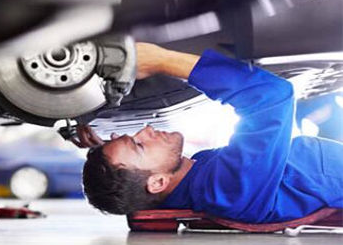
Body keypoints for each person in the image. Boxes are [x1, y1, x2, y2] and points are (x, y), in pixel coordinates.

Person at [75, 43, 343, 223]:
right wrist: (162, 60)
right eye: (139, 145)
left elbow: (132, 184)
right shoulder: (229, 188)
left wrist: (103, 145)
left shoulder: (197, 184)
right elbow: (272, 96)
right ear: (157, 184)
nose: (145, 130)